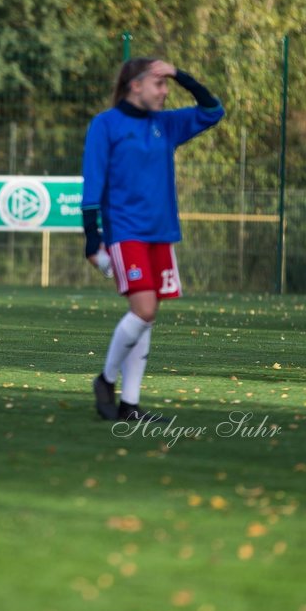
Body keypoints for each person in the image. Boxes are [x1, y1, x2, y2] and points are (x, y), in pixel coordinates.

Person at [81, 58, 225, 422]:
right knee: (144, 311)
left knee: (145, 317)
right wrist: (91, 237)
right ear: (136, 85)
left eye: (167, 86)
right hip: (125, 231)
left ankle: (130, 404)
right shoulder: (106, 124)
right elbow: (93, 181)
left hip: (161, 233)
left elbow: (213, 110)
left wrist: (181, 74)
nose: (164, 92)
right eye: (159, 85)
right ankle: (105, 380)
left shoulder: (166, 124)